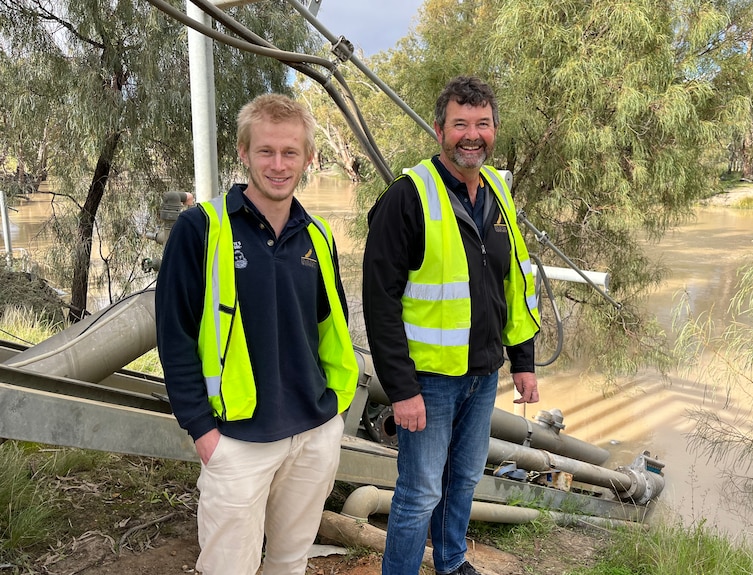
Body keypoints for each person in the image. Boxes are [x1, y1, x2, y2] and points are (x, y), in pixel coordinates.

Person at [155, 93, 358, 575]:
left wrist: (335, 413)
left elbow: (332, 325)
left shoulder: (318, 236)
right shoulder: (201, 228)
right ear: (243, 153)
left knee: (289, 562)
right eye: (265, 151)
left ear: (309, 158)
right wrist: (202, 431)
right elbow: (175, 335)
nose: (278, 164)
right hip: (237, 439)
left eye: (290, 152)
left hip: (313, 431)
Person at [362, 76, 541, 575]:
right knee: (420, 492)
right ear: (439, 130)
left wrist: (522, 362)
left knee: (463, 480)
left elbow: (516, 283)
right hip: (428, 382)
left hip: (483, 374)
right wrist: (401, 390)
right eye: (460, 123)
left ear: (494, 130)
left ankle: (450, 562)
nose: (471, 134)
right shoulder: (408, 197)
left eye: (482, 124)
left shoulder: (498, 192)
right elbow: (380, 304)